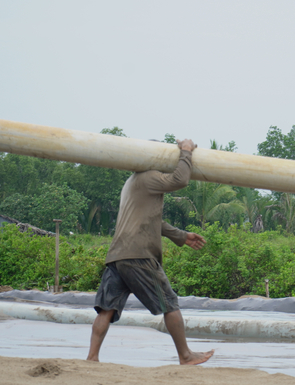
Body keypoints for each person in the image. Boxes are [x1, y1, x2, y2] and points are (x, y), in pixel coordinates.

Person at [87, 138, 214, 365]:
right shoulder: (149, 177)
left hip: (118, 256)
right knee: (169, 303)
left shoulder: (131, 182)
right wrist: (186, 151)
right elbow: (181, 179)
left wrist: (182, 236)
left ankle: (92, 357)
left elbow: (153, 221)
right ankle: (185, 356)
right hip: (139, 256)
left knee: (106, 309)